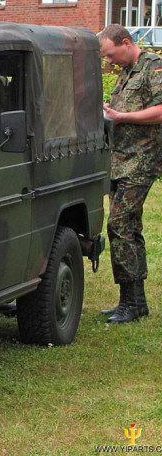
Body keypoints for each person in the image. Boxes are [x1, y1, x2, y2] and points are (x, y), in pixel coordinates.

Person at [98, 24, 162, 323]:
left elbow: (161, 110)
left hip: (141, 161)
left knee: (119, 224)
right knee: (127, 228)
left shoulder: (153, 67)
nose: (109, 63)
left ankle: (133, 302)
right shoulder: (126, 71)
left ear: (126, 42)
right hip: (120, 160)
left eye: (111, 55)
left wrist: (121, 116)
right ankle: (133, 301)